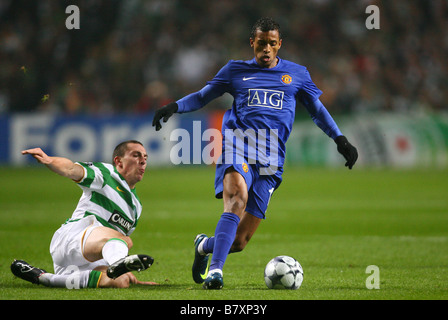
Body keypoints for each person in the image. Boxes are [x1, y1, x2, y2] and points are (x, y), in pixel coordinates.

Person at [152, 17, 358, 289]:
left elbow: (317, 110)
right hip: (238, 145)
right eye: (261, 43)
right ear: (252, 43)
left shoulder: (297, 74)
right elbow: (203, 96)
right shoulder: (234, 71)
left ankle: (204, 246)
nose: (267, 49)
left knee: (239, 242)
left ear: (279, 44)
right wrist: (173, 106)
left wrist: (340, 138)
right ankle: (216, 272)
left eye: (272, 44)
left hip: (272, 159)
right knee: (237, 197)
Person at [11, 140, 157, 288]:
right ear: (118, 161)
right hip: (72, 240)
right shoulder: (106, 174)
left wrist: (128, 275)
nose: (143, 161)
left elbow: (115, 245)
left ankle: (43, 277)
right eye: (136, 155)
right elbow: (71, 169)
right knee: (125, 241)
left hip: (89, 260)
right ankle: (117, 264)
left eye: (145, 157)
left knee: (121, 281)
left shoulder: (136, 207)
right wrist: (49, 160)